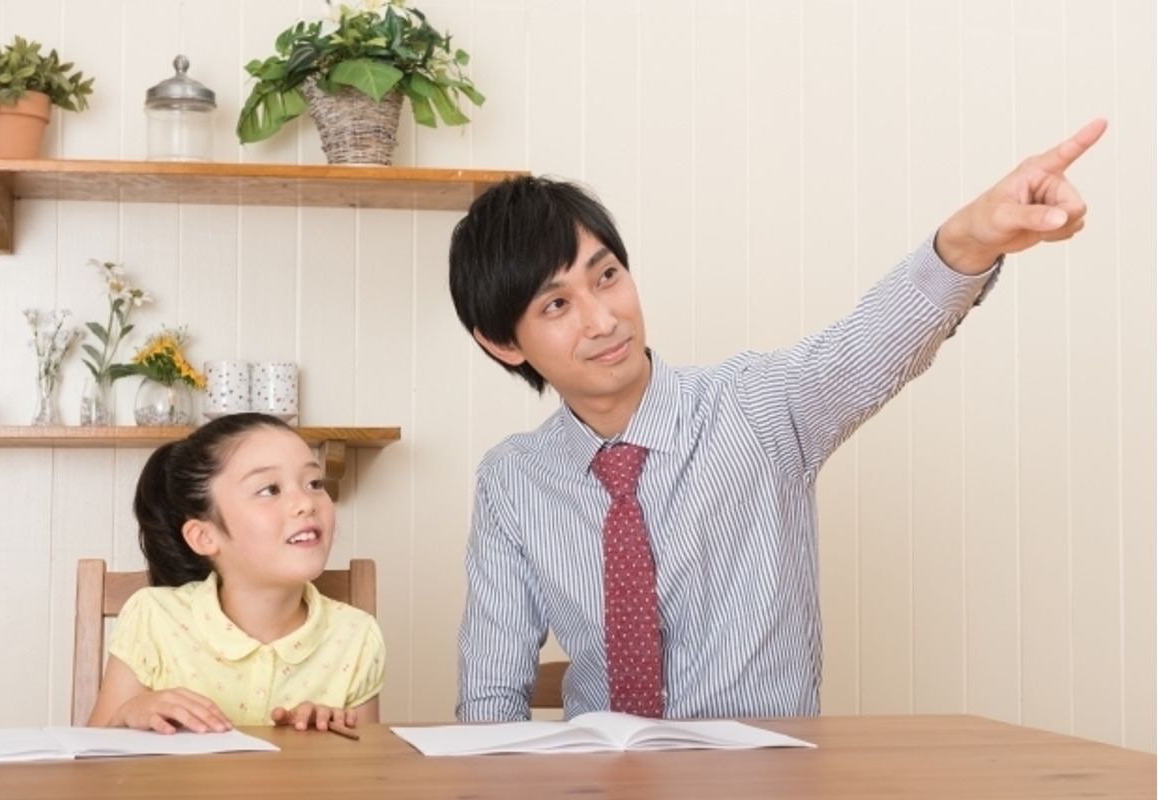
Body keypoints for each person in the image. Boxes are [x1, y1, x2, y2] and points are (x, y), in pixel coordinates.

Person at [448, 120, 1107, 722]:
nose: (602, 319)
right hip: (600, 782)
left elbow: (868, 345)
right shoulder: (513, 481)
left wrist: (968, 239)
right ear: (504, 343)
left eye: (608, 275)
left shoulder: (757, 407)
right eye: (557, 304)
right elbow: (490, 697)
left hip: (770, 780)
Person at [87, 413, 385, 733]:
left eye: (314, 483)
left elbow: (368, 772)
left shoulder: (356, 635)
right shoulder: (153, 618)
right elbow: (88, 771)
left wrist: (330, 738)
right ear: (205, 537)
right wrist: (128, 714)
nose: (305, 503)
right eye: (270, 489)